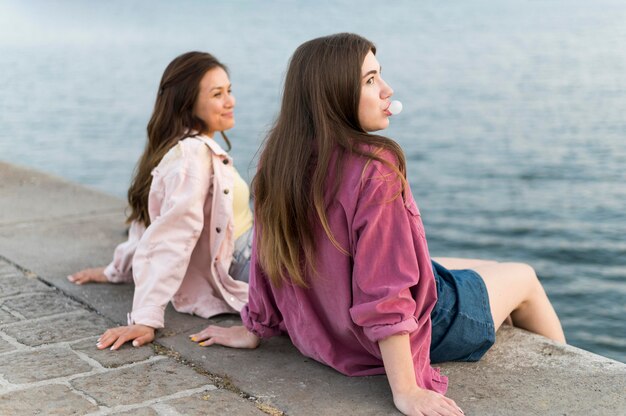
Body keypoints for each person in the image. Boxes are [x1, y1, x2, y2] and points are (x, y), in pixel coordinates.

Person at [191, 34, 566, 416]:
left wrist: (254, 328)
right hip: (402, 331)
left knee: (462, 267)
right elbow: (386, 293)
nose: (387, 90)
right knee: (524, 277)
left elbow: (267, 256)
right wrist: (407, 390)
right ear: (333, 93)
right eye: (370, 80)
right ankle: (574, 390)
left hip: (323, 330)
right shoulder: (375, 168)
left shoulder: (279, 157)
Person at [67, 51, 254, 351]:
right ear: (187, 103)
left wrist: (117, 269)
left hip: (251, 249)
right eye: (218, 94)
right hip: (248, 259)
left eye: (229, 90)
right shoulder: (192, 157)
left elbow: (150, 224)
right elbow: (172, 235)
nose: (230, 101)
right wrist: (146, 317)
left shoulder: (178, 148)